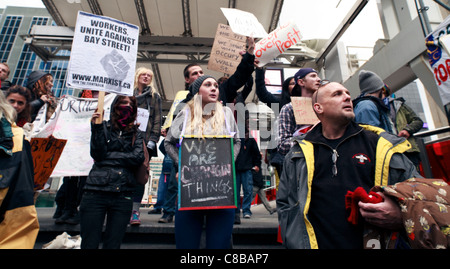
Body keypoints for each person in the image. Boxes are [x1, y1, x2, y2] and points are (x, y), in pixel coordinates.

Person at [276, 81, 421, 249]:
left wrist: (400, 214)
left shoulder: (382, 145)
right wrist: (293, 240)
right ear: (318, 108)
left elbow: (417, 193)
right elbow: (285, 203)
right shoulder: (297, 154)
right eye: (337, 94)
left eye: (347, 93)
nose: (347, 97)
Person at [164, 75, 241, 249]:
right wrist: (181, 163)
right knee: (187, 246)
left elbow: (237, 142)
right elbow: (168, 142)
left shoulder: (226, 112)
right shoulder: (185, 113)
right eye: (208, 85)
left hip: (221, 189)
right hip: (190, 190)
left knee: (219, 245)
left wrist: (228, 162)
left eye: (216, 85)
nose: (214, 88)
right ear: (197, 91)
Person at [79, 95, 145, 249]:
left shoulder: (137, 132)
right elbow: (97, 154)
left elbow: (137, 157)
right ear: (115, 106)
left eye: (131, 104)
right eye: (123, 103)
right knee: (89, 242)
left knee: (113, 244)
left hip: (123, 193)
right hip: (95, 191)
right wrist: (96, 128)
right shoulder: (102, 127)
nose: (127, 106)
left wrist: (109, 157)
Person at [0, 91, 39, 248]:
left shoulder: (16, 141)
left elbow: (20, 211)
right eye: (13, 101)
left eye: (20, 103)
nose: (16, 106)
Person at [129, 67, 162, 225]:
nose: (146, 77)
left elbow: (157, 118)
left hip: (145, 140)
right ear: (137, 76)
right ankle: (123, 209)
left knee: (141, 175)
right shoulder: (129, 93)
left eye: (149, 75)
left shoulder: (154, 96)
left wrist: (153, 139)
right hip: (127, 140)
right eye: (143, 74)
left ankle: (135, 210)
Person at [277, 68, 321, 161]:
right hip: (302, 162)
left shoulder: (325, 107)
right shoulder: (289, 108)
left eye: (317, 76)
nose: (318, 79)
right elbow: (283, 145)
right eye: (313, 76)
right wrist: (311, 137)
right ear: (301, 82)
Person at [384, 86, 424, 170]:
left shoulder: (399, 105)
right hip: (391, 153)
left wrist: (407, 130)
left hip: (408, 150)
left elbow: (418, 121)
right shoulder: (373, 107)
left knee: (414, 179)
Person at [234, 127, 261, 223]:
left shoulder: (249, 141)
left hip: (242, 169)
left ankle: (243, 210)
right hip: (240, 169)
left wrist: (257, 164)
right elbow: (257, 154)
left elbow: (256, 154)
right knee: (242, 191)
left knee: (246, 191)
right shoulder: (246, 140)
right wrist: (256, 164)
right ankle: (243, 211)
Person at [148, 128, 173, 215]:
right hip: (166, 169)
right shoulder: (167, 141)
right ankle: (159, 206)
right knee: (162, 189)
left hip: (170, 168)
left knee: (167, 190)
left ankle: (166, 208)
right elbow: (162, 147)